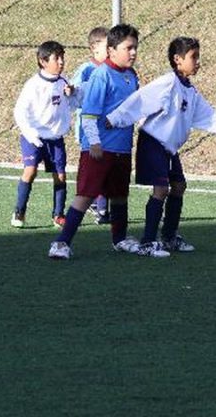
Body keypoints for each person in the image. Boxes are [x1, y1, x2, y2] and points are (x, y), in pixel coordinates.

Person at [106, 37, 216, 256]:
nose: (198, 62)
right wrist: (116, 118)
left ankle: (168, 237)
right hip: (153, 142)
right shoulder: (168, 83)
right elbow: (141, 100)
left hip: (169, 148)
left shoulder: (191, 92)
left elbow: (213, 119)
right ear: (177, 59)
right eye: (193, 57)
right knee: (161, 189)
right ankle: (148, 243)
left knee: (179, 186)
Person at [48, 24, 166, 259]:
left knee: (120, 195)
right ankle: (61, 243)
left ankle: (120, 239)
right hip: (99, 148)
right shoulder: (101, 75)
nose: (133, 53)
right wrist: (94, 142)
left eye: (135, 48)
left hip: (122, 147)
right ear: (111, 50)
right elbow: (90, 114)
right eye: (128, 48)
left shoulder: (131, 76)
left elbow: (133, 108)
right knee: (86, 195)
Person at [12, 41, 78, 229]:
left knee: (61, 176)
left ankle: (58, 215)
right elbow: (19, 111)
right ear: (43, 61)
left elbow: (71, 106)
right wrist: (31, 134)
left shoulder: (63, 81)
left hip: (55, 139)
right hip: (33, 137)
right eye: (56, 58)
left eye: (62, 58)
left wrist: (71, 94)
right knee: (30, 171)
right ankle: (19, 211)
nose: (61, 62)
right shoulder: (33, 85)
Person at [71, 26, 111, 225]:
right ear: (95, 48)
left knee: (105, 166)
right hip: (88, 129)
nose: (111, 49)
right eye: (107, 46)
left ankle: (101, 206)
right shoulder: (86, 70)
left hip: (108, 129)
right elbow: (74, 93)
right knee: (93, 166)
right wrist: (71, 91)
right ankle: (95, 203)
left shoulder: (113, 70)